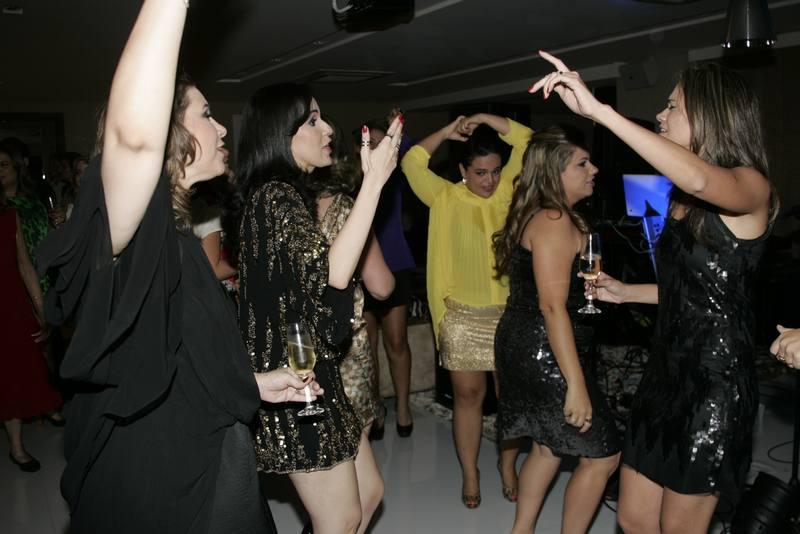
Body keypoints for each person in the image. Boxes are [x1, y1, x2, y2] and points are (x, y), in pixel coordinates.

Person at [36, 2, 320, 532]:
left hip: (212, 456)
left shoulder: (180, 235)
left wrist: (254, 382)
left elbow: (180, 355)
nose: (221, 128)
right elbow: (132, 138)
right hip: (162, 482)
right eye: (206, 115)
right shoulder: (133, 231)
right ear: (170, 136)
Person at [530, 51, 778, 533]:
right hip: (664, 372)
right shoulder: (681, 198)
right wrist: (626, 292)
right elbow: (694, 290)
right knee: (634, 517)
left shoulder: (750, 185)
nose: (661, 115)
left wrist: (600, 112)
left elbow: (700, 176)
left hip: (714, 382)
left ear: (709, 115)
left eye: (672, 106)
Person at [235, 83, 402, 534]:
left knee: (369, 494)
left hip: (314, 369)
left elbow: (315, 293)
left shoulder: (289, 195)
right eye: (312, 120)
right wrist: (373, 183)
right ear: (280, 133)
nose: (327, 128)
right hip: (291, 382)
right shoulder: (274, 196)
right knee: (342, 518)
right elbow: (331, 276)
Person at [493, 126, 621, 532]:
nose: (594, 169)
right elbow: (551, 306)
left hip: (529, 341)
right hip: (543, 348)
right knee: (602, 455)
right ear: (554, 172)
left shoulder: (554, 215)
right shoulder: (553, 219)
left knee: (548, 447)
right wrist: (576, 384)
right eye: (582, 163)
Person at [401, 113, 532, 508]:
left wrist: (485, 118)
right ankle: (471, 472)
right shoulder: (444, 197)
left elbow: (527, 140)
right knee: (468, 396)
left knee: (511, 398)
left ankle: (507, 464)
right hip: (460, 317)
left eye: (494, 171)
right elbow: (411, 162)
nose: (489, 180)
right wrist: (448, 130)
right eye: (479, 173)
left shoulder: (509, 190)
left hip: (508, 315)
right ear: (462, 171)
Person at [361, 113, 417, 439]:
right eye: (373, 143)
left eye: (384, 143)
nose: (379, 148)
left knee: (397, 341)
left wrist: (399, 129)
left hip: (396, 263)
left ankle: (404, 408)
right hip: (361, 266)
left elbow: (412, 152)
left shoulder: (394, 176)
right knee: (367, 348)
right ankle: (376, 409)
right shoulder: (351, 182)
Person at [1, 191, 60, 472]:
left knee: (14, 373)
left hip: (11, 306)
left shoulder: (9, 216)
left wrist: (40, 309)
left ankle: (16, 447)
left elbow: (25, 265)